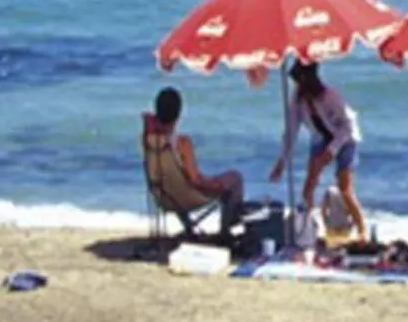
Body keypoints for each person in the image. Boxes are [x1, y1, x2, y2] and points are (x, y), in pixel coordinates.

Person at [270, 59, 367, 242]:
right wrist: (282, 161)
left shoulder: (331, 96)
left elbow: (347, 127)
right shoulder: (297, 100)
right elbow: (291, 131)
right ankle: (309, 228)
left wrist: (331, 151)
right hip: (320, 138)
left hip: (345, 138)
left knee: (344, 186)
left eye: (300, 82)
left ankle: (361, 228)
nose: (298, 87)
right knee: (310, 183)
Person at [144, 86, 246, 227]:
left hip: (163, 196)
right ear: (178, 113)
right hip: (185, 197)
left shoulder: (150, 141)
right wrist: (215, 184)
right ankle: (226, 229)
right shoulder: (182, 143)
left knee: (177, 182)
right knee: (235, 178)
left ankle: (189, 228)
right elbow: (195, 180)